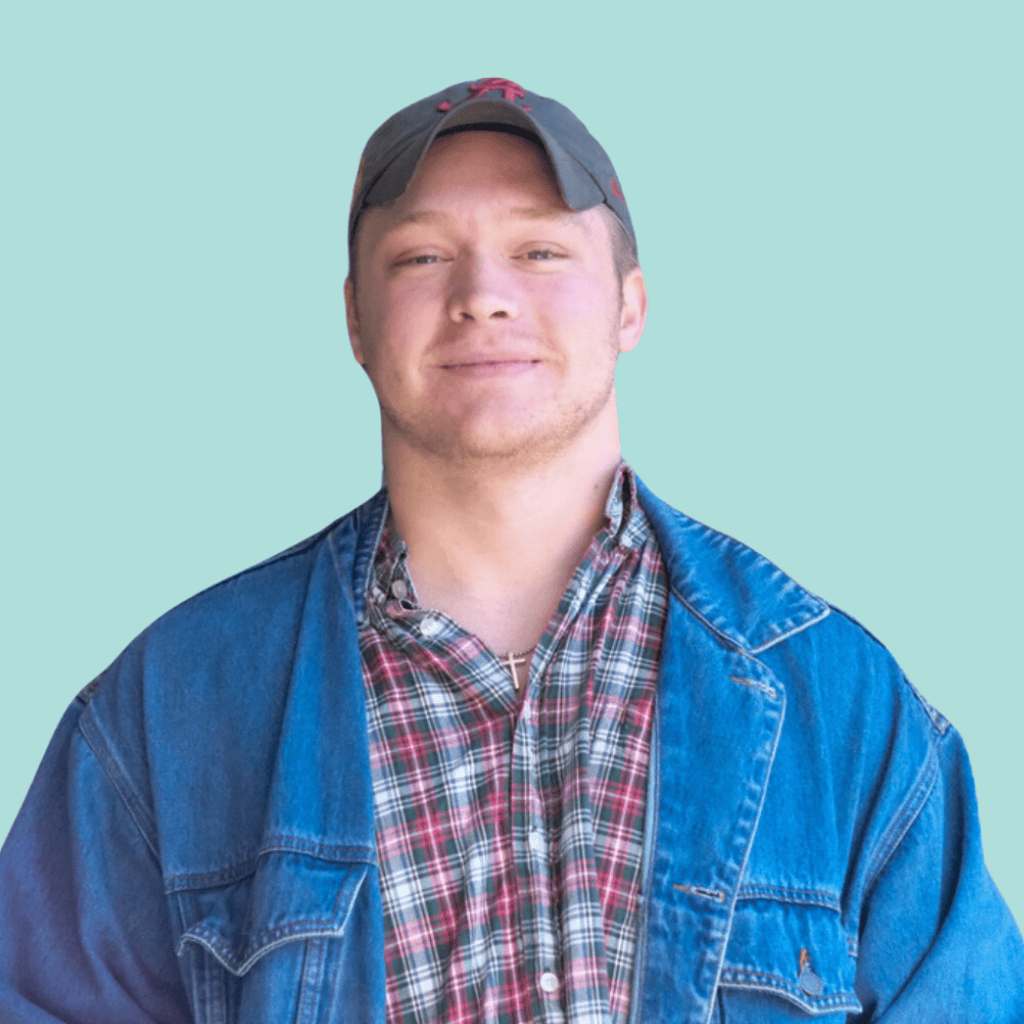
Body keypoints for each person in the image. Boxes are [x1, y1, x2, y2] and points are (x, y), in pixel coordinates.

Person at [0, 77, 1021, 1024]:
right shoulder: (168, 712)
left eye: (539, 250)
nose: (483, 293)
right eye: (421, 256)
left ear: (630, 304)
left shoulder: (837, 702)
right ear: (354, 318)